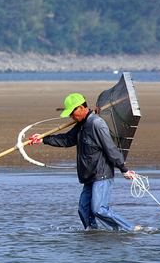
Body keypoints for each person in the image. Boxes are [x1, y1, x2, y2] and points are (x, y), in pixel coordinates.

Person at [29, 93, 140, 231]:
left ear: (80, 108)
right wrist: (43, 139)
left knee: (99, 209)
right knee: (83, 210)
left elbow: (110, 148)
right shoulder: (81, 124)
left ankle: (130, 229)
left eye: (72, 113)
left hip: (102, 174)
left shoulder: (96, 124)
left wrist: (123, 169)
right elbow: (67, 139)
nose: (71, 117)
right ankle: (93, 233)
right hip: (89, 175)